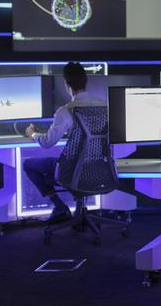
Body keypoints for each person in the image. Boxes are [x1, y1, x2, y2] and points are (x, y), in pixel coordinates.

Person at [24, 62, 105, 223]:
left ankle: (60, 206)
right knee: (55, 170)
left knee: (29, 165)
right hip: (99, 169)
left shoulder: (66, 111)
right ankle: (78, 209)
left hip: (72, 171)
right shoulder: (104, 106)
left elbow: (47, 142)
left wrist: (33, 133)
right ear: (86, 80)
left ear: (66, 84)